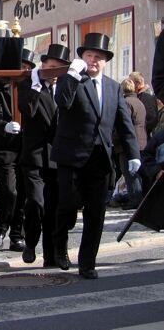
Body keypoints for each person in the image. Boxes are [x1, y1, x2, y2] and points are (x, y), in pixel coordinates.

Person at [51, 33, 141, 279]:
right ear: (81, 58)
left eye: (98, 57)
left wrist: (133, 154)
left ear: (105, 61)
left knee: (95, 213)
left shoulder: (113, 87)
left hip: (100, 160)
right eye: (88, 55)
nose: (92, 60)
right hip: (71, 156)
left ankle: (87, 263)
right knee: (68, 205)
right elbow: (62, 102)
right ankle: (59, 244)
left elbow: (124, 122)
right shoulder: (71, 80)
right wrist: (70, 74)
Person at [18, 44, 69, 267]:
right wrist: (37, 87)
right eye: (49, 66)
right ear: (43, 66)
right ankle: (30, 242)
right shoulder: (29, 85)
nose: (53, 71)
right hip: (35, 156)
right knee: (36, 204)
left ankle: (55, 254)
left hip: (59, 157)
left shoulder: (68, 87)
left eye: (58, 68)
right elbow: (27, 111)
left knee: (57, 209)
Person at [0, 82, 25, 252]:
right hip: (7, 149)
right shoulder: (0, 90)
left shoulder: (33, 88)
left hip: (27, 149)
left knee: (23, 193)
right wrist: (5, 126)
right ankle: (1, 230)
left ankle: (17, 236)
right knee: (10, 190)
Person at [114, 78, 146, 210]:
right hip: (142, 140)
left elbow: (124, 124)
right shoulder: (138, 102)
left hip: (128, 143)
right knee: (136, 173)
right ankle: (138, 199)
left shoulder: (126, 102)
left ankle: (135, 200)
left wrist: (114, 139)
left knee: (130, 173)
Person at [129, 71, 158, 138]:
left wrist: (140, 129)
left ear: (138, 83)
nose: (129, 85)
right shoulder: (138, 96)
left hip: (143, 137)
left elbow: (152, 119)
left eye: (131, 82)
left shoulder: (147, 97)